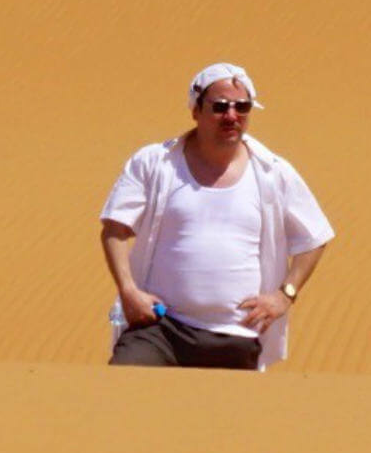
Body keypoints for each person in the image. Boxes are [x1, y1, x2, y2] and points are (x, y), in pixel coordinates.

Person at [99, 63, 333, 370]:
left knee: (227, 416)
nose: (232, 116)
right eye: (220, 107)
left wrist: (284, 295)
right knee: (123, 390)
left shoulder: (273, 172)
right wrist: (128, 291)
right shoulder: (155, 163)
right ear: (195, 110)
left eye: (242, 107)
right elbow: (115, 227)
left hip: (235, 335)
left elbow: (314, 236)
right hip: (160, 328)